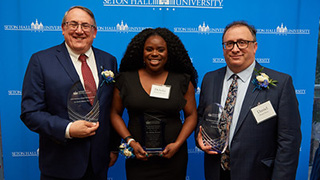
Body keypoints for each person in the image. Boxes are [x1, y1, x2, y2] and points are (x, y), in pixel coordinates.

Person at [20, 6, 119, 180]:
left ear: (94, 32)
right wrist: (68, 129)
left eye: (85, 26)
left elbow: (111, 108)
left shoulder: (108, 60)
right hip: (60, 164)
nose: (79, 30)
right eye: (73, 24)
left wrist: (112, 147)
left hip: (98, 163)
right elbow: (30, 113)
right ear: (63, 29)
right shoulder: (41, 61)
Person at [195, 21, 302, 180]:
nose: (235, 49)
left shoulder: (280, 84)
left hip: (258, 173)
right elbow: (202, 118)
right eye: (229, 44)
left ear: (255, 46)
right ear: (223, 48)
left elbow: (289, 141)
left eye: (242, 43)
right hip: (216, 172)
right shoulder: (210, 79)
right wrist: (199, 137)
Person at [110, 27, 198, 180]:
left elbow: (191, 115)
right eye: (149, 49)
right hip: (137, 156)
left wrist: (177, 144)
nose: (155, 54)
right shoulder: (125, 79)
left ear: (168, 53)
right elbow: (114, 113)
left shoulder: (182, 80)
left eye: (161, 49)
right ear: (141, 52)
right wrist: (130, 141)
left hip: (173, 157)